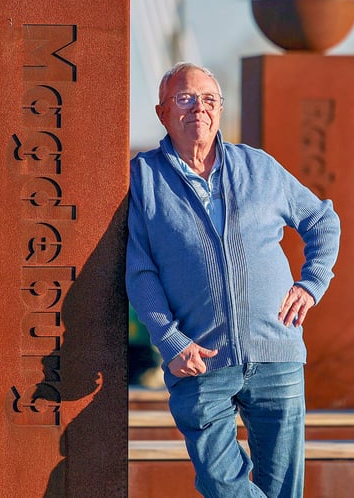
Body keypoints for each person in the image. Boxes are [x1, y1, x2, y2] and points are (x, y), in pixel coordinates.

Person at [126, 62, 341, 497]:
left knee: (283, 489)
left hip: (277, 353)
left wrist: (311, 283)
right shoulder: (144, 178)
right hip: (198, 358)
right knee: (221, 484)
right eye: (185, 98)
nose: (198, 108)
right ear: (162, 112)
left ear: (220, 109)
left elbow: (322, 219)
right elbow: (140, 269)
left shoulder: (258, 167)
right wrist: (169, 340)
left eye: (208, 99)